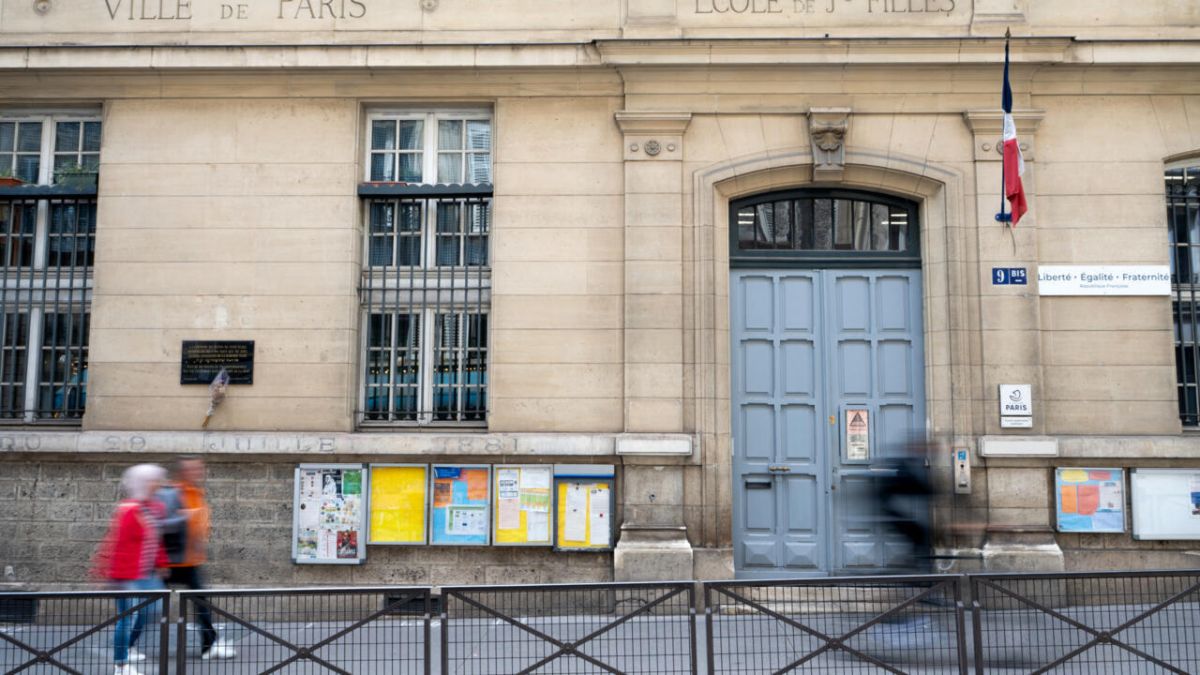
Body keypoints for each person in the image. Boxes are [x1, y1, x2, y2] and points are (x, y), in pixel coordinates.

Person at [157, 456, 237, 660]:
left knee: (202, 603)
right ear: (182, 472)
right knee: (147, 606)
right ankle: (126, 647)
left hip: (190, 560)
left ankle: (209, 646)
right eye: (193, 469)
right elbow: (162, 524)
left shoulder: (196, 493)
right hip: (170, 561)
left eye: (199, 469)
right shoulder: (170, 493)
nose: (198, 472)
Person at [93, 464, 169, 675]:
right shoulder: (129, 510)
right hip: (127, 576)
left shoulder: (154, 508)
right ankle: (121, 664)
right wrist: (106, 574)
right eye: (154, 480)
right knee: (127, 619)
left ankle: (128, 647)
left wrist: (162, 563)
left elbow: (156, 539)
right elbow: (116, 543)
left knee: (147, 612)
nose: (158, 484)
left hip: (146, 574)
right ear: (143, 483)